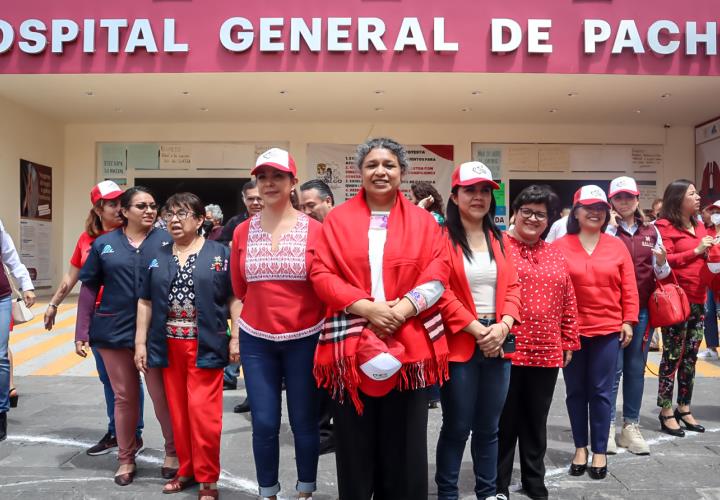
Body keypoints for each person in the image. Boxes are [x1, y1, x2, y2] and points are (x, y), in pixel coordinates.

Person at [312, 138, 450, 500]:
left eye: (389, 164)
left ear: (401, 172)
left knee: (405, 448)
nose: (381, 171)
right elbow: (321, 273)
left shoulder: (424, 222)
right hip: (350, 341)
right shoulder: (337, 220)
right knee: (355, 447)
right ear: (360, 172)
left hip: (409, 340)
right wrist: (366, 308)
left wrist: (402, 309)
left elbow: (439, 272)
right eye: (372, 164)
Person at [230, 148, 325, 500]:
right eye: (263, 177)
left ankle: (305, 490)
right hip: (257, 340)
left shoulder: (315, 230)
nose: (269, 184)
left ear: (292, 182)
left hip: (305, 338)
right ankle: (267, 491)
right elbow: (240, 288)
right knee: (265, 423)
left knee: (303, 422)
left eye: (278, 177)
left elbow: (324, 285)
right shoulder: (241, 232)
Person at [135, 192, 241, 499]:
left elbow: (234, 297)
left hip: (205, 344)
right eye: (169, 214)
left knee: (204, 415)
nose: (174, 220)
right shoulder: (158, 254)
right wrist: (140, 343)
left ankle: (208, 478)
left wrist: (236, 337)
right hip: (168, 347)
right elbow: (145, 300)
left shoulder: (219, 253)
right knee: (178, 413)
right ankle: (186, 469)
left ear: (199, 219)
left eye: (182, 214)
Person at [76, 186, 177, 486]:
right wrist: (82, 330)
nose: (149, 211)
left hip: (158, 331)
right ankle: (125, 458)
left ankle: (172, 453)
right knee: (124, 397)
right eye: (141, 206)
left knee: (161, 397)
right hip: (113, 330)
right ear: (124, 210)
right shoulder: (104, 244)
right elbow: (89, 287)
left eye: (152, 205)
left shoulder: (167, 241)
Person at [434, 162, 521, 500]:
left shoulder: (500, 238)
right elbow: (439, 291)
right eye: (470, 190)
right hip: (460, 343)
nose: (479, 196)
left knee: (489, 428)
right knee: (456, 427)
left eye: (485, 190)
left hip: (498, 342)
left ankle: (488, 493)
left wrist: (503, 326)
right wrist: (476, 329)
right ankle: (448, 494)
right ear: (454, 196)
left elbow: (513, 286)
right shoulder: (440, 238)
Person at [44, 180, 145, 456]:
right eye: (112, 204)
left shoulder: (135, 234)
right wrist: (54, 304)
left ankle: (133, 433)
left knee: (129, 380)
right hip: (101, 318)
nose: (118, 209)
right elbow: (72, 277)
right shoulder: (86, 240)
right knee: (108, 379)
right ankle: (116, 430)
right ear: (98, 208)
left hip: (129, 315)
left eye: (120, 203)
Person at [496, 185, 579, 500]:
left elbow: (568, 298)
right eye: (527, 211)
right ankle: (498, 483)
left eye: (540, 214)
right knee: (504, 421)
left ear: (550, 220)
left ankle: (534, 480)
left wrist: (569, 338)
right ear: (515, 213)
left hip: (545, 350)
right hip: (506, 348)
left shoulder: (554, 253)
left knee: (535, 420)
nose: (532, 218)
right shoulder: (498, 246)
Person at [553, 185, 639, 480]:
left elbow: (629, 286)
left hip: (606, 330)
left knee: (602, 393)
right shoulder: (559, 246)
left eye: (600, 207)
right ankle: (580, 447)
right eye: (587, 207)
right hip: (571, 333)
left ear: (607, 212)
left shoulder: (616, 246)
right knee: (575, 391)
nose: (594, 212)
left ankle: (600, 450)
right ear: (575, 211)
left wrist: (628, 320)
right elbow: (553, 291)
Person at [606, 176, 671, 455]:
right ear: (610, 202)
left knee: (635, 369)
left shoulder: (651, 231)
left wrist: (661, 262)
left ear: (636, 200)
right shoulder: (604, 230)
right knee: (611, 370)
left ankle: (630, 426)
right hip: (609, 311)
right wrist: (608, 229)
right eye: (619, 198)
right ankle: (606, 427)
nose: (624, 202)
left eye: (629, 197)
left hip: (641, 310)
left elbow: (663, 274)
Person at [654, 179, 710, 436]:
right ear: (678, 199)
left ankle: (684, 406)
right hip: (676, 301)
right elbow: (665, 259)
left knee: (690, 357)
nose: (698, 197)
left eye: (697, 192)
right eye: (692, 193)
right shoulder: (663, 226)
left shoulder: (700, 225)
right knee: (672, 356)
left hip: (699, 299)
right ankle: (666, 410)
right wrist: (696, 250)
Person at [0, 218, 35, 441]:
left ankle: (1, 410)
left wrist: (26, 285)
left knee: (0, 355)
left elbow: (10, 254)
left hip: (0, 297)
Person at [700, 200, 720, 360]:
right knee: (708, 313)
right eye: (713, 212)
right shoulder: (707, 232)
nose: (715, 215)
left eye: (718, 212)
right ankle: (712, 349)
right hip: (710, 281)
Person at [217, 180, 264, 246]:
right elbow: (219, 244)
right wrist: (232, 244)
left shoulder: (277, 221)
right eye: (250, 199)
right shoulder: (235, 222)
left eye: (259, 198)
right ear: (244, 200)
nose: (255, 203)